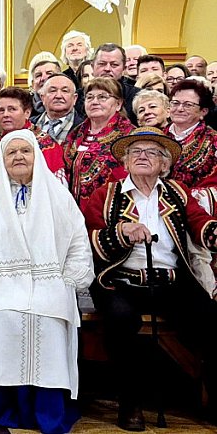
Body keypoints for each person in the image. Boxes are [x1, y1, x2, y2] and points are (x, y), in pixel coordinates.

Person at [83, 127, 217, 431]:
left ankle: (210, 400)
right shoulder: (106, 194)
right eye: (135, 152)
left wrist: (213, 231)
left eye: (151, 152)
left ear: (164, 164)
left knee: (209, 319)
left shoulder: (176, 193)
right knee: (120, 321)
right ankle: (130, 403)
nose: (142, 156)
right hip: (119, 281)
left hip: (170, 280)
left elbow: (198, 221)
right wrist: (122, 232)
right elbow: (88, 236)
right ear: (127, 162)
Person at [0, 130, 94, 434]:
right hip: (0, 285)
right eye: (12, 153)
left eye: (26, 151)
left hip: (49, 282)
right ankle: (5, 408)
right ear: (2, 159)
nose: (19, 157)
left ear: (37, 156)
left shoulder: (58, 195)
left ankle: (47, 410)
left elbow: (78, 242)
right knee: (3, 315)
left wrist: (69, 279)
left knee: (48, 318)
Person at [64, 78, 134, 208]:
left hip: (113, 209)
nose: (95, 102)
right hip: (71, 211)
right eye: (89, 97)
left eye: (102, 97)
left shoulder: (129, 135)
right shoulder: (75, 134)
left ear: (118, 104)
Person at [0, 86, 67, 185]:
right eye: (1, 110)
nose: (5, 114)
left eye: (12, 109)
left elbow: (58, 186)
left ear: (27, 113)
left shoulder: (46, 145)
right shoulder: (0, 143)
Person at [164, 79, 217, 192]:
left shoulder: (213, 141)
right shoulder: (157, 136)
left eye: (188, 105)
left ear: (203, 111)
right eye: (175, 103)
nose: (180, 109)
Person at [93, 43, 140, 124]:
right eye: (102, 64)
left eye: (114, 65)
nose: (107, 69)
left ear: (124, 68)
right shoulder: (79, 97)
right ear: (92, 66)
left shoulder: (138, 96)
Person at [34, 73, 85, 144]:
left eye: (65, 91)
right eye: (52, 91)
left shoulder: (85, 128)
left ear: (74, 98)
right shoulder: (28, 125)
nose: (58, 96)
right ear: (43, 98)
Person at [27, 51, 63, 118]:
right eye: (38, 75)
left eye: (49, 73)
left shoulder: (70, 104)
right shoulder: (23, 107)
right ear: (32, 83)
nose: (44, 78)